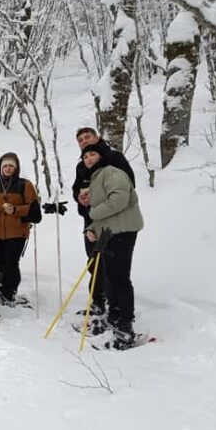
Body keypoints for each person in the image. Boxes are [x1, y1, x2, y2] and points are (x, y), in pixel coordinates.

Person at [81, 142, 144, 346]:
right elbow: (104, 210)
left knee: (120, 277)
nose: (89, 158)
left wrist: (92, 214)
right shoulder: (96, 177)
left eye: (92, 154)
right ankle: (114, 315)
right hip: (110, 231)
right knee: (109, 275)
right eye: (85, 156)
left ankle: (126, 323)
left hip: (123, 231)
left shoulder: (111, 172)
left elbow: (119, 200)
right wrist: (92, 228)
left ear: (101, 156)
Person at [72, 127, 135, 315]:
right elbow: (77, 188)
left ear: (97, 137)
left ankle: (118, 314)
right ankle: (98, 303)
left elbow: (126, 187)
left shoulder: (114, 159)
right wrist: (80, 197)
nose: (84, 141)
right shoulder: (82, 165)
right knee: (94, 262)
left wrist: (96, 198)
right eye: (81, 140)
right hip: (91, 221)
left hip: (115, 222)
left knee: (114, 271)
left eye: (87, 137)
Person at [0, 152, 38, 305]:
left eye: (11, 166)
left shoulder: (24, 184)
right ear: (0, 168)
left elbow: (34, 209)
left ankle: (9, 291)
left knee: (10, 263)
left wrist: (15, 210)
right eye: (4, 166)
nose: (7, 168)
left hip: (17, 231)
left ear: (16, 167)